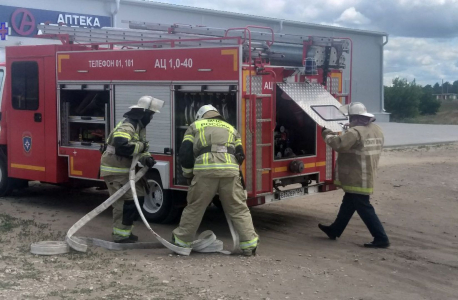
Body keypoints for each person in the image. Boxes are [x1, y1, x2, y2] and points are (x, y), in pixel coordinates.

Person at [172, 104, 259, 256]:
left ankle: (182, 242)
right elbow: (240, 154)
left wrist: (188, 175)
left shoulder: (195, 126)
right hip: (230, 172)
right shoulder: (231, 128)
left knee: (195, 208)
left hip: (205, 171)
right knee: (238, 208)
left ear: (201, 116)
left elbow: (185, 154)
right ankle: (249, 245)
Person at [318, 102, 390, 248]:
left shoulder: (355, 132)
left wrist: (326, 133)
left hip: (356, 176)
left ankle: (381, 238)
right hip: (366, 174)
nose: (349, 121)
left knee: (364, 207)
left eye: (350, 118)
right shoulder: (376, 129)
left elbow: (339, 144)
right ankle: (334, 230)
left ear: (356, 117)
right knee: (348, 203)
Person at [100, 96, 164, 243]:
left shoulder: (139, 126)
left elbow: (137, 150)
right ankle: (120, 235)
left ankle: (125, 232)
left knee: (138, 198)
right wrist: (142, 148)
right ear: (144, 113)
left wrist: (146, 158)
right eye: (151, 114)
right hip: (115, 170)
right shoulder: (128, 125)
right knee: (124, 203)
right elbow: (122, 146)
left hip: (124, 170)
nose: (152, 118)